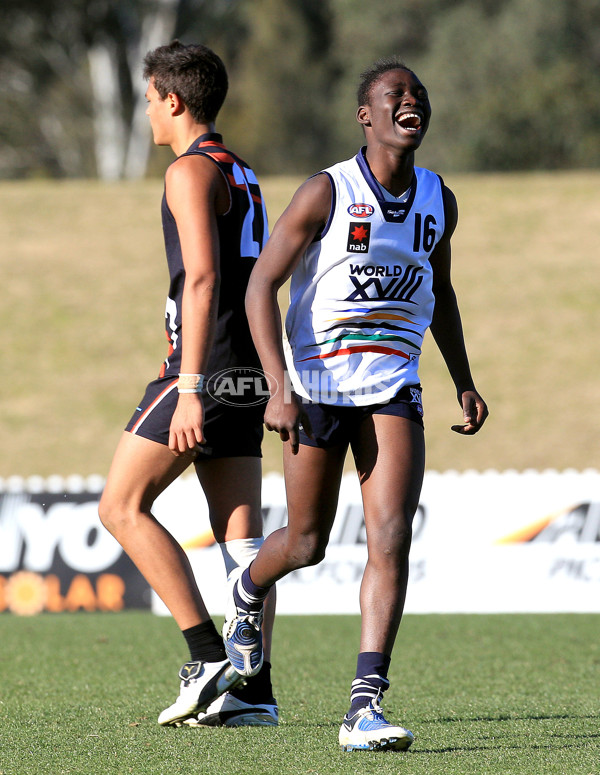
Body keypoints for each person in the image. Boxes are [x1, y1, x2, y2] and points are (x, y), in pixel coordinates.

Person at [223, 57, 488, 751]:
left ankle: (363, 707)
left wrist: (462, 376)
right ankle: (248, 589)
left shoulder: (439, 200)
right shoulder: (326, 192)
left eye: (419, 93)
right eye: (394, 94)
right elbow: (259, 288)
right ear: (366, 116)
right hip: (315, 387)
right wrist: (277, 384)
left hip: (395, 383)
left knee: (390, 535)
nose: (411, 101)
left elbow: (443, 292)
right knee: (306, 542)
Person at [98, 40, 277, 728]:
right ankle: (255, 693)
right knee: (242, 543)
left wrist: (193, 383)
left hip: (203, 370)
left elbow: (201, 277)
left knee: (120, 505)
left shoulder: (189, 172)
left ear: (174, 101)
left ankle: (206, 657)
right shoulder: (243, 171)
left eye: (148, 99)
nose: (146, 112)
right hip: (250, 368)